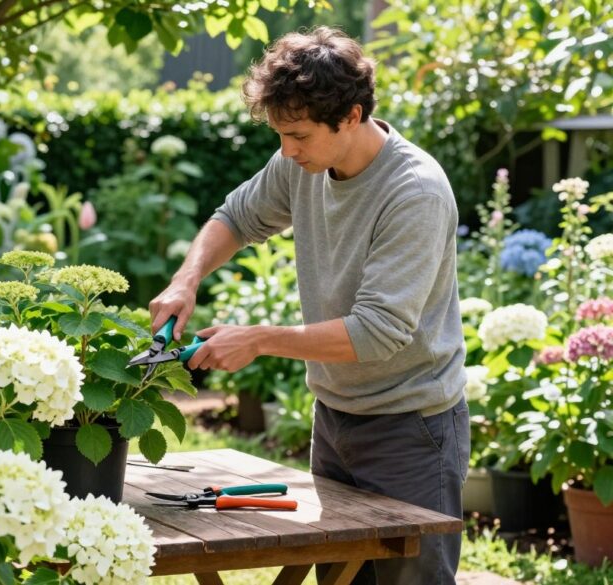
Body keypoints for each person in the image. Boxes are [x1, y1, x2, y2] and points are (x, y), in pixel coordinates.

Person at [148, 26, 470, 585]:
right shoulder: (302, 164)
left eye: (297, 135)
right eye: (279, 135)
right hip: (336, 419)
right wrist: (186, 279)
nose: (286, 151)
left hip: (411, 429)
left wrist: (259, 338)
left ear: (350, 115)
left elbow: (379, 331)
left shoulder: (413, 191)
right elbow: (236, 217)